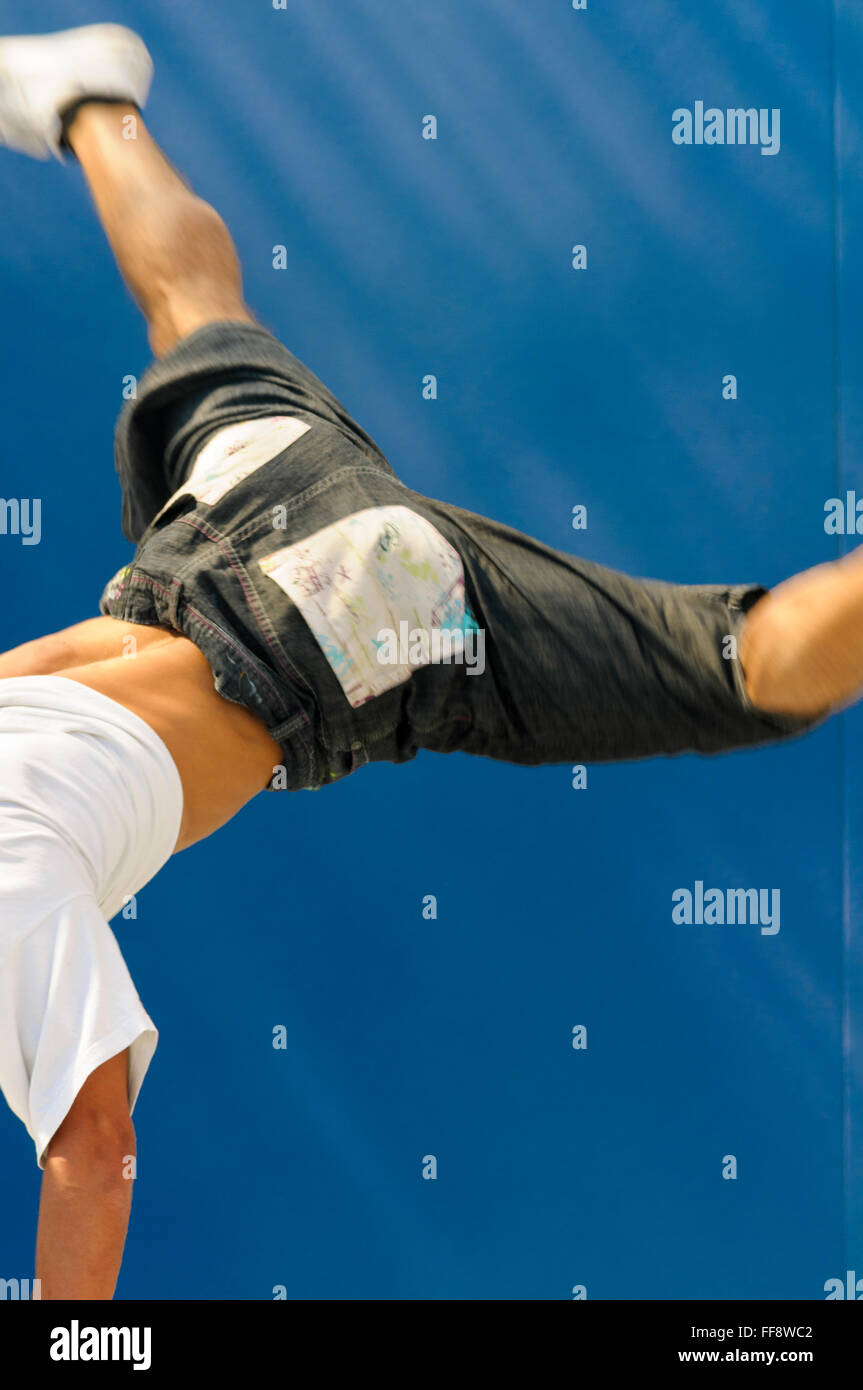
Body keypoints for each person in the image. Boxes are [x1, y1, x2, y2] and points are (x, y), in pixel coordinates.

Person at [0, 24, 855, 1299]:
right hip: (237, 515)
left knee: (740, 668)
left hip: (344, 633)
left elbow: (93, 1148)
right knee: (195, 311)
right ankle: (88, 101)